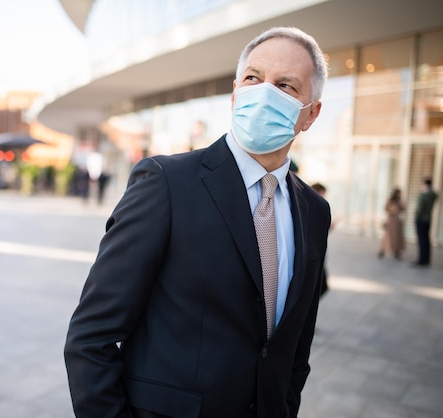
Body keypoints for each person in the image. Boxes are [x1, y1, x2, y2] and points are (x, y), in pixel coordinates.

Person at [64, 27, 331, 418]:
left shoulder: (314, 211)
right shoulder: (166, 183)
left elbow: (294, 350)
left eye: (286, 86)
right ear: (235, 93)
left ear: (311, 114)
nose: (264, 93)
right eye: (254, 79)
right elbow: (91, 337)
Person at [311, 182, 331, 297]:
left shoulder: (320, 206)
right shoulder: (310, 204)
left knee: (321, 286)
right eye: (322, 194)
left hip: (318, 253)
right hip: (311, 253)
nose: (323, 197)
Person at [414, 178, 438, 267]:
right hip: (428, 220)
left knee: (422, 240)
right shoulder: (432, 195)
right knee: (426, 240)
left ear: (425, 184)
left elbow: (420, 208)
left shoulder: (423, 195)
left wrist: (416, 218)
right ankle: (426, 259)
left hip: (421, 220)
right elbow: (435, 194)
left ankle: (422, 260)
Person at [378, 188, 405, 260]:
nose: (400, 195)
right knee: (387, 237)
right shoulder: (390, 201)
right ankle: (382, 250)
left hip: (397, 222)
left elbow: (403, 208)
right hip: (390, 220)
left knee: (396, 238)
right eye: (399, 193)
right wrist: (391, 211)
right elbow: (386, 208)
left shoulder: (399, 201)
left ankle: (396, 252)